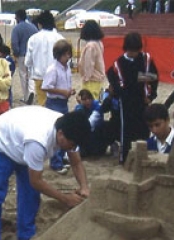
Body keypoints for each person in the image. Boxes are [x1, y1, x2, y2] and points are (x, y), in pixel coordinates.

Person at [0, 108, 90, 240]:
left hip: (22, 142)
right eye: (71, 144)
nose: (71, 148)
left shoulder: (70, 127)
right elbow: (36, 181)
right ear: (61, 134)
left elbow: (76, 162)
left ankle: (26, 236)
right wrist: (65, 198)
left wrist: (84, 187)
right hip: (1, 143)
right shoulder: (38, 141)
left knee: (30, 195)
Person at [106, 32, 158, 164]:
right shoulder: (119, 63)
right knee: (126, 131)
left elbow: (154, 77)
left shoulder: (146, 60)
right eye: (131, 51)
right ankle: (125, 158)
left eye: (136, 51)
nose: (134, 54)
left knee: (144, 129)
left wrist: (151, 96)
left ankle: (143, 158)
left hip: (142, 101)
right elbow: (114, 81)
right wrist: (124, 88)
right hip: (126, 102)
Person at [42, 39, 75, 174]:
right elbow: (46, 87)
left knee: (64, 130)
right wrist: (63, 92)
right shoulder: (53, 69)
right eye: (66, 55)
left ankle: (60, 158)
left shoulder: (66, 68)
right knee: (56, 132)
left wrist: (69, 91)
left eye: (69, 54)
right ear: (59, 55)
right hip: (54, 102)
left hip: (63, 102)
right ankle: (55, 162)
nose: (68, 57)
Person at [25, 11, 64, 107]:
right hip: (56, 77)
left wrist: (30, 68)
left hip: (40, 77)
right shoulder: (60, 38)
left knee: (43, 104)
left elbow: (28, 61)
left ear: (39, 24)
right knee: (56, 105)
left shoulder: (33, 39)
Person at [11, 10, 37, 104]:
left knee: (23, 75)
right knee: (31, 75)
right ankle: (32, 92)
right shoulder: (33, 27)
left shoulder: (16, 28)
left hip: (22, 54)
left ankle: (26, 97)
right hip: (32, 54)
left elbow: (14, 42)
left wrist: (16, 52)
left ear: (18, 17)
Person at [74, 89, 108, 157]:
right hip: (86, 138)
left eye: (89, 98)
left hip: (97, 136)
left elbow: (90, 123)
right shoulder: (79, 108)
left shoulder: (97, 106)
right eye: (84, 99)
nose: (87, 101)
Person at [78, 20, 106, 100]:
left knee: (89, 103)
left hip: (91, 80)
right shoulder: (99, 43)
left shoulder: (90, 46)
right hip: (98, 79)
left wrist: (86, 78)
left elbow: (89, 64)